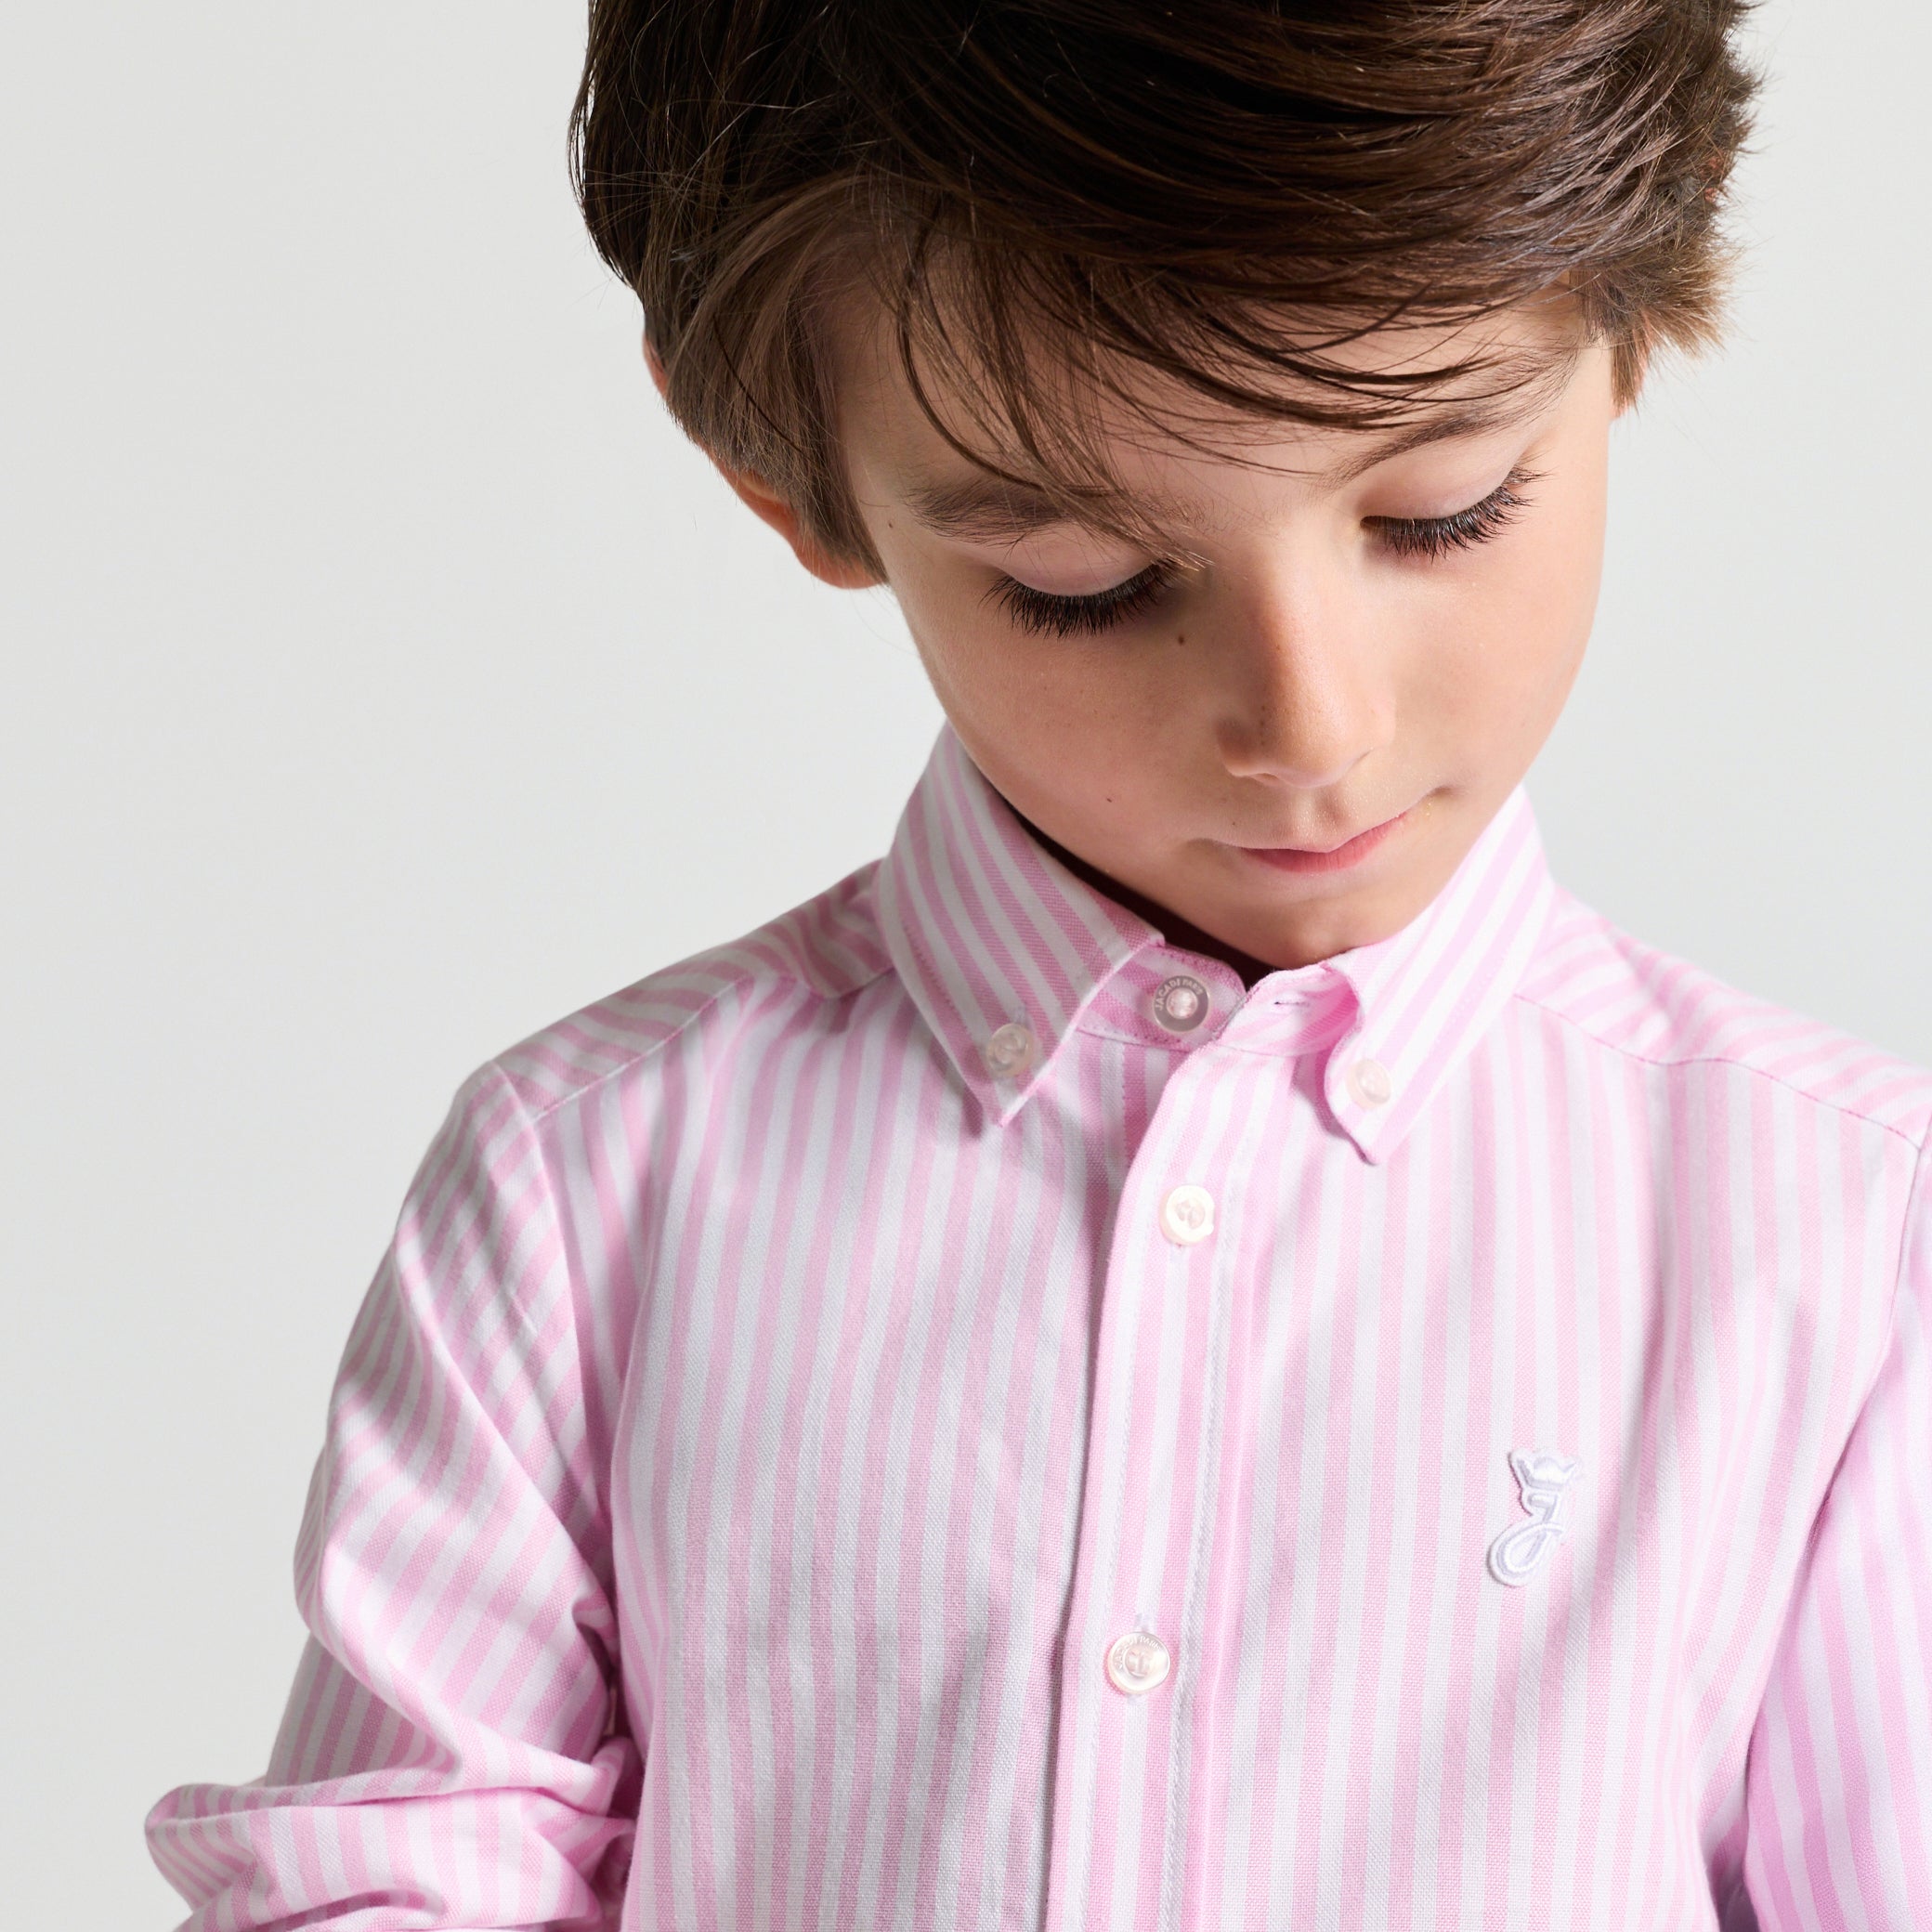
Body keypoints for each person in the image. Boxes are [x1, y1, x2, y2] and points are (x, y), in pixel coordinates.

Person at [146, 2, 1932, 1926]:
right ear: (789, 479)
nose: (1308, 723)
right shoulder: (580, 1186)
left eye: (1441, 512)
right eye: (1088, 582)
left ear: (1626, 322)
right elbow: (389, 1869)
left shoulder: (1843, 1234)